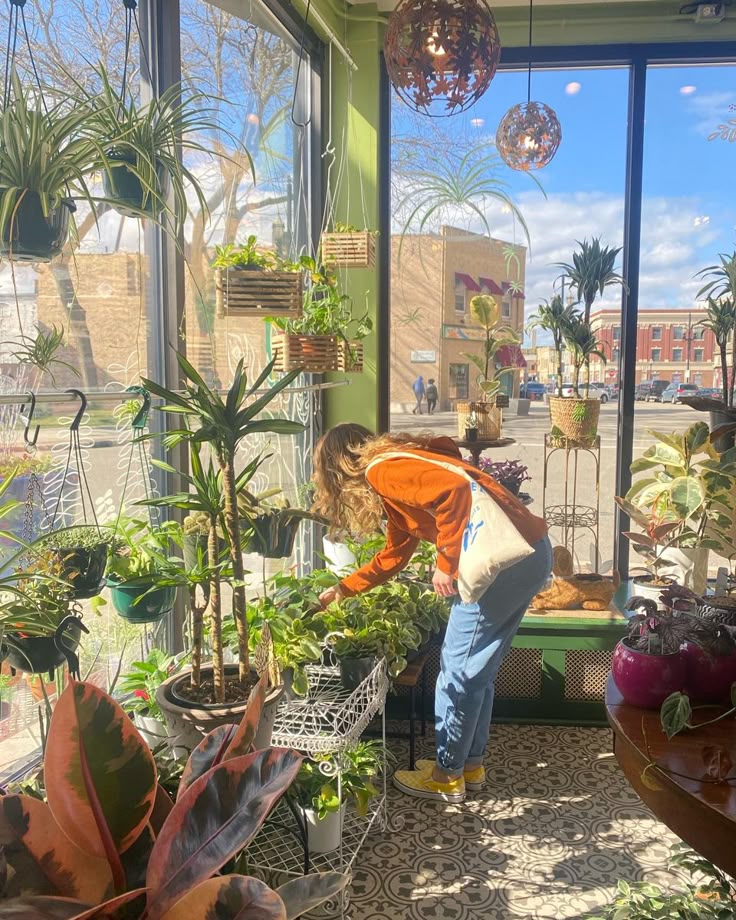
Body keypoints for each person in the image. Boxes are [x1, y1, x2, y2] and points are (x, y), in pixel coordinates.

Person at [313, 424, 552, 804]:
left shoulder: (381, 470)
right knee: (478, 671)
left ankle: (446, 776)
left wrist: (446, 562)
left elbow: (452, 492)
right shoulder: (397, 474)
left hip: (503, 564)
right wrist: (342, 589)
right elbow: (394, 555)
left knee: (456, 672)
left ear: (337, 465)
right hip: (527, 554)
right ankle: (469, 764)